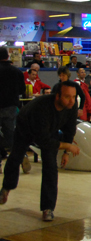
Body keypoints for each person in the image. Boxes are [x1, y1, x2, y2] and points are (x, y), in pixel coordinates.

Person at [0, 81, 80, 221]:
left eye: (74, 97)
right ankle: (6, 187)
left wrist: (66, 152)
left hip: (50, 130)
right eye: (67, 97)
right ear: (57, 96)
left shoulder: (71, 106)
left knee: (50, 167)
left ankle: (47, 208)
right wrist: (67, 146)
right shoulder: (41, 108)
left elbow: (70, 129)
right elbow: (43, 141)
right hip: (26, 127)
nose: (71, 101)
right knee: (16, 157)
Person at [0, 47, 25, 165]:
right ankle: (20, 156)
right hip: (11, 106)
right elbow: (22, 90)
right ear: (7, 56)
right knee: (10, 133)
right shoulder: (16, 71)